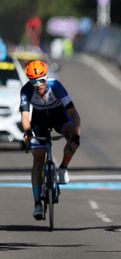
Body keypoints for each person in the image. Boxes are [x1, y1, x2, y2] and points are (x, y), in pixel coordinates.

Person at [20, 60, 81, 220]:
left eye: (41, 79)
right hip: (39, 120)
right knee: (38, 161)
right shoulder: (26, 91)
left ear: (46, 77)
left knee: (73, 139)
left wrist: (76, 135)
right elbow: (25, 117)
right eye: (33, 81)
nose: (38, 84)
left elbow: (74, 113)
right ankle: (37, 205)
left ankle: (62, 168)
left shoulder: (56, 86)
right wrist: (27, 131)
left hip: (59, 116)